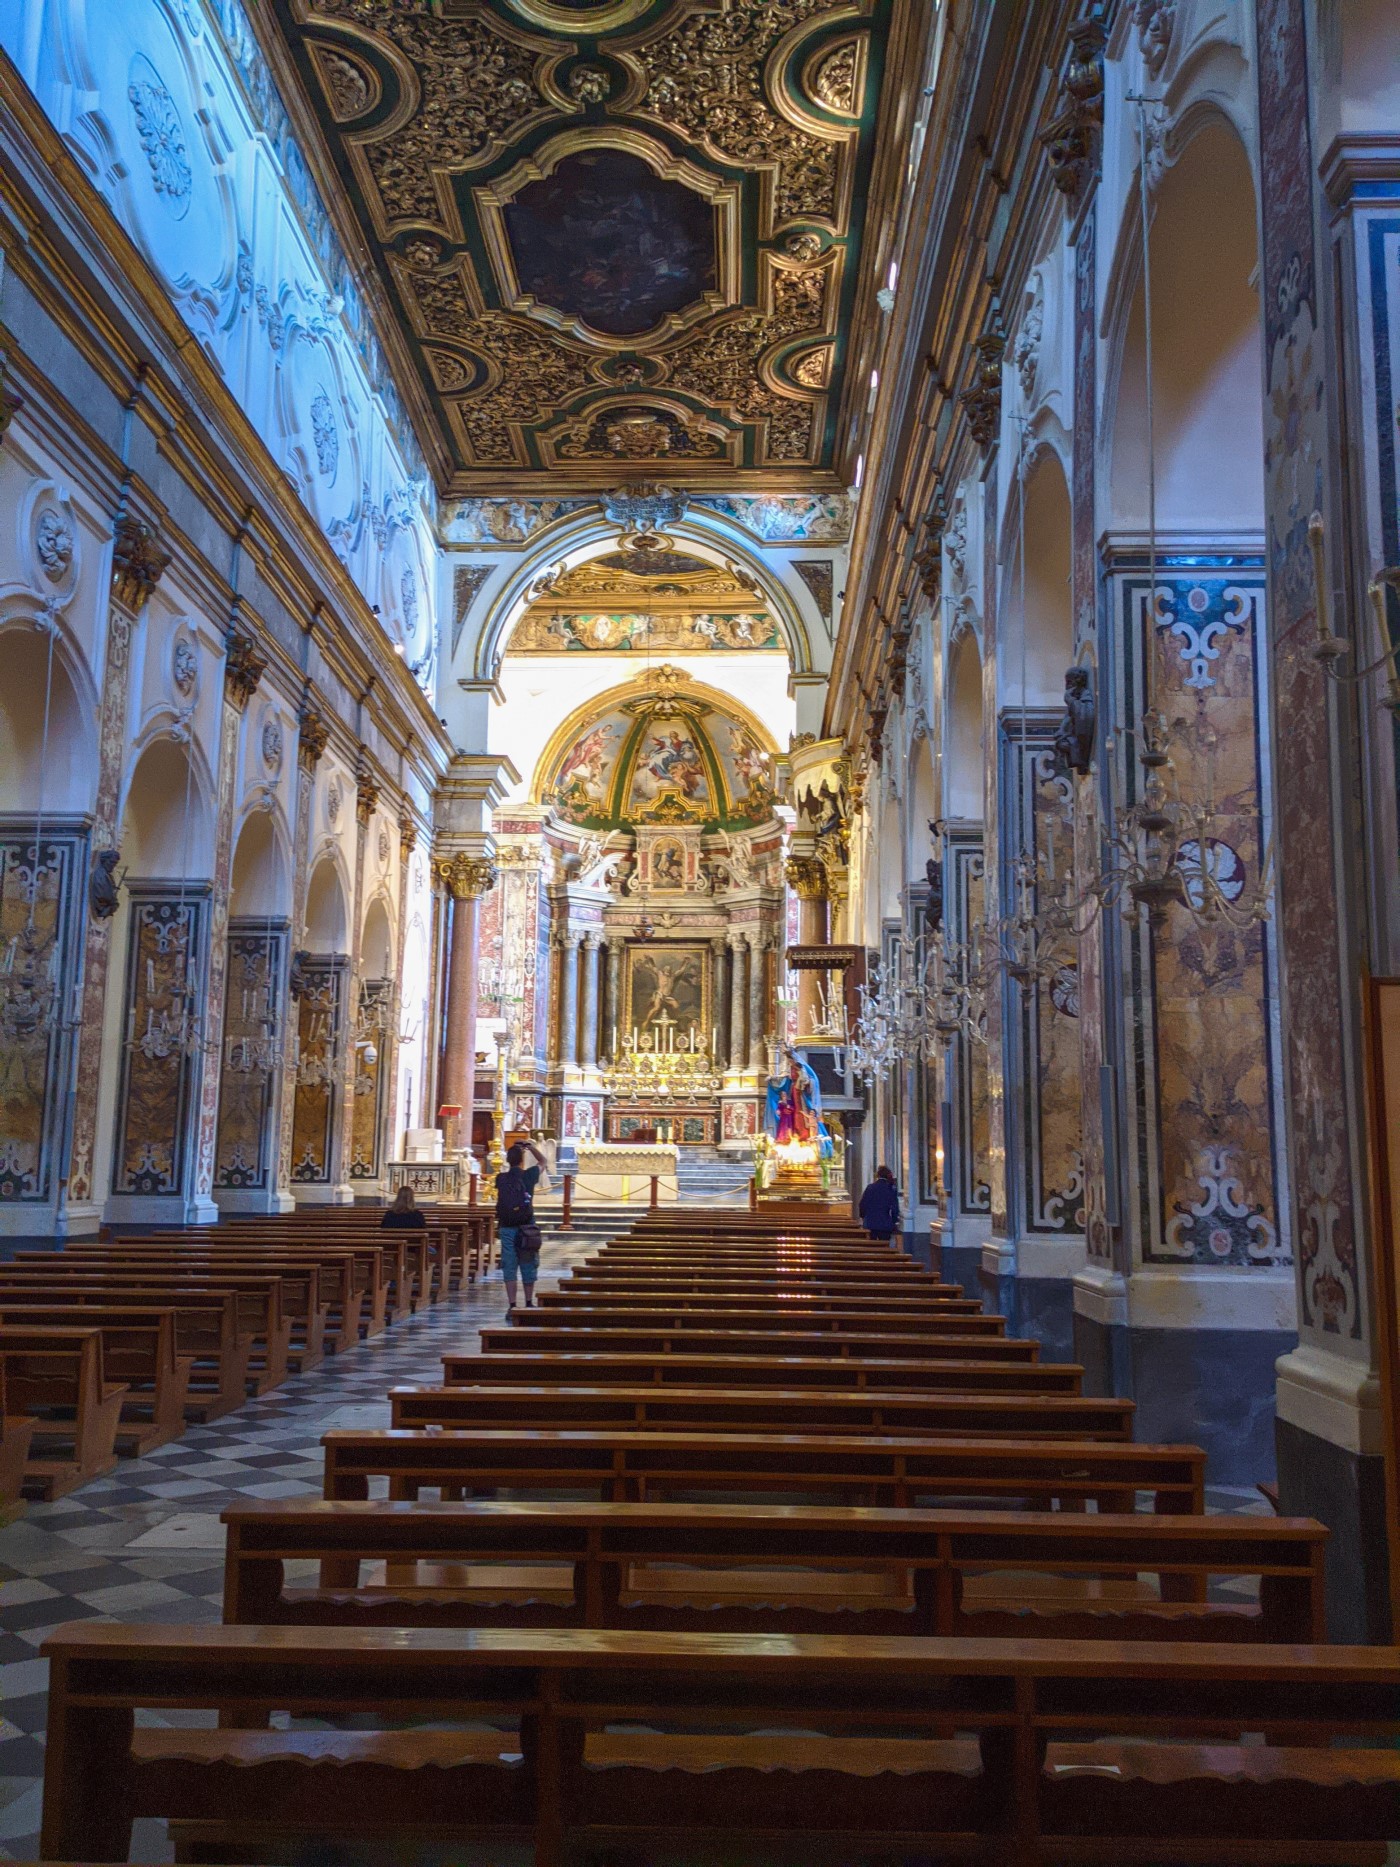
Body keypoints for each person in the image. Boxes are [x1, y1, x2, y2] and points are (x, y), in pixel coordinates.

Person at [496, 1138, 546, 1311]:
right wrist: (531, 1148)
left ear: (508, 1160)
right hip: (527, 1227)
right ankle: (529, 1302)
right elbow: (543, 1162)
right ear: (522, 1160)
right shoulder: (529, 1174)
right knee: (528, 1263)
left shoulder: (500, 1178)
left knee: (509, 1264)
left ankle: (511, 1304)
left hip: (506, 1226)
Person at [859, 1165, 900, 1242]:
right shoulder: (891, 1189)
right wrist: (894, 1221)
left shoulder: (870, 1187)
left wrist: (863, 1216)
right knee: (885, 1247)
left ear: (877, 1175)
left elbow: (862, 1204)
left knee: (871, 1247)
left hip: (870, 1223)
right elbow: (895, 1208)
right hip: (885, 1224)